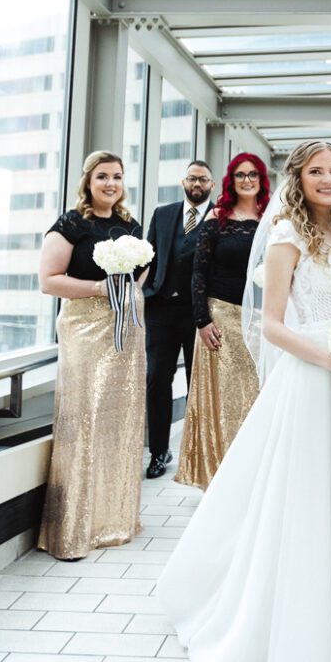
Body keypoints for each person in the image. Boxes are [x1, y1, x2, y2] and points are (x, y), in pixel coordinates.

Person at [157, 140, 331, 662]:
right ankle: (292, 633)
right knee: (304, 506)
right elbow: (270, 326)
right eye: (316, 171)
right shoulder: (285, 238)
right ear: (298, 180)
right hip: (313, 383)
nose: (329, 179)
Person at [36, 151, 150, 560]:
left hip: (126, 330)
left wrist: (128, 284)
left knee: (119, 418)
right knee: (83, 416)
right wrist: (100, 290)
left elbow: (142, 271)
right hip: (84, 327)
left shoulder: (130, 224)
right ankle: (74, 525)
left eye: (117, 177)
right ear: (88, 181)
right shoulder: (71, 223)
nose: (111, 184)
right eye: (102, 176)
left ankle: (112, 519)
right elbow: (49, 281)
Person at [175, 153, 269, 490]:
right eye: (240, 174)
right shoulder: (217, 218)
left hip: (261, 322)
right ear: (231, 180)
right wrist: (202, 320)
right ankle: (220, 478)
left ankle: (254, 476)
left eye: (253, 174)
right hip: (221, 320)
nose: (247, 180)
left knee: (256, 397)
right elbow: (198, 271)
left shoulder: (273, 220)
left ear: (261, 179)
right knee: (224, 400)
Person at [142, 160, 213, 479]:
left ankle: (197, 453)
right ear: (183, 182)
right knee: (157, 379)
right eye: (192, 178)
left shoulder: (218, 216)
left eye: (204, 179)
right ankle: (159, 452)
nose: (197, 184)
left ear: (213, 185)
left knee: (198, 384)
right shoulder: (163, 213)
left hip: (201, 315)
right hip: (161, 310)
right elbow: (148, 257)